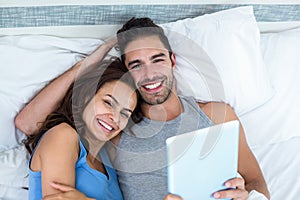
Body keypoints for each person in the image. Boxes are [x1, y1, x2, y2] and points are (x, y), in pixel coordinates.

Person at [15, 18, 270, 200]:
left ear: (172, 60)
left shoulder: (219, 115)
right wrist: (89, 64)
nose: (149, 74)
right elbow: (30, 125)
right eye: (136, 65)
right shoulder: (116, 130)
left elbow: (258, 183)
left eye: (157, 59)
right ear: (127, 72)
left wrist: (246, 194)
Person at [23, 57, 142, 200]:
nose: (115, 118)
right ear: (86, 96)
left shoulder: (107, 160)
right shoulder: (63, 135)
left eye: (124, 114)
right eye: (108, 103)